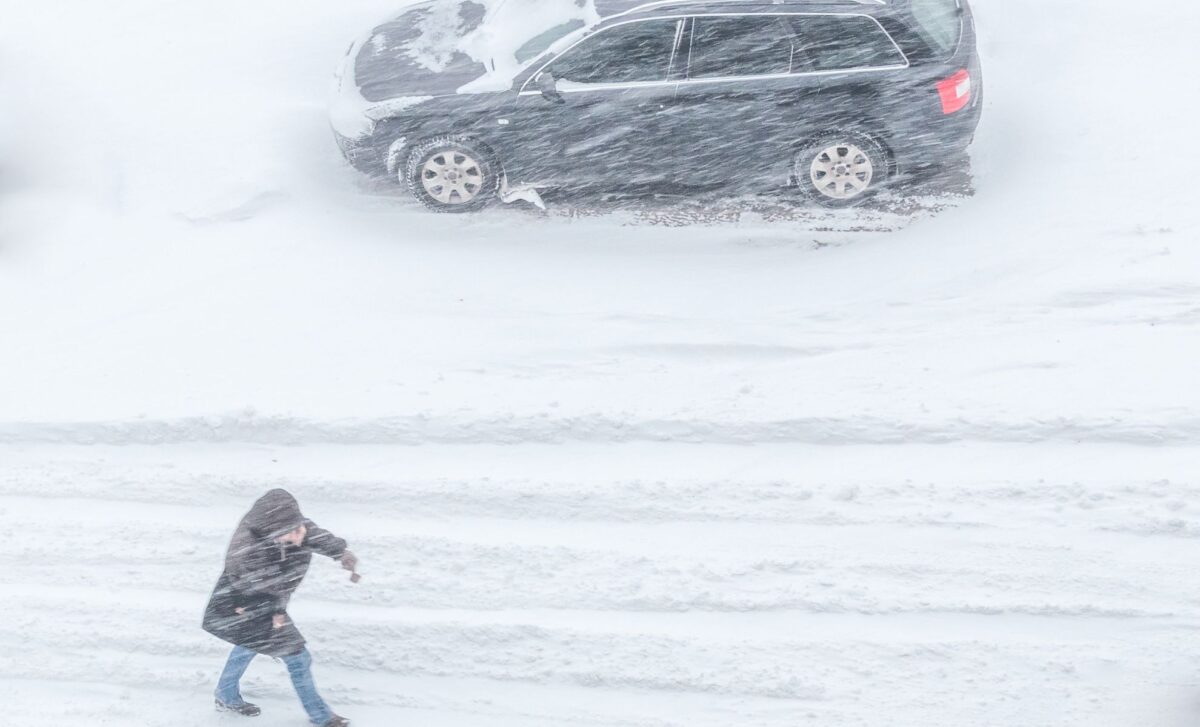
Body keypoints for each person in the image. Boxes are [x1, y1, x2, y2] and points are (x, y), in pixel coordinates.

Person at [202, 488, 358, 726]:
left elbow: (311, 534)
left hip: (261, 603)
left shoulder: (287, 522)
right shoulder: (248, 551)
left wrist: (341, 552)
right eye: (290, 534)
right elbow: (262, 588)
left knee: (247, 645)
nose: (298, 537)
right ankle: (322, 717)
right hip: (244, 605)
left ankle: (225, 695)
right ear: (273, 534)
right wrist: (277, 613)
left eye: (298, 529)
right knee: (298, 657)